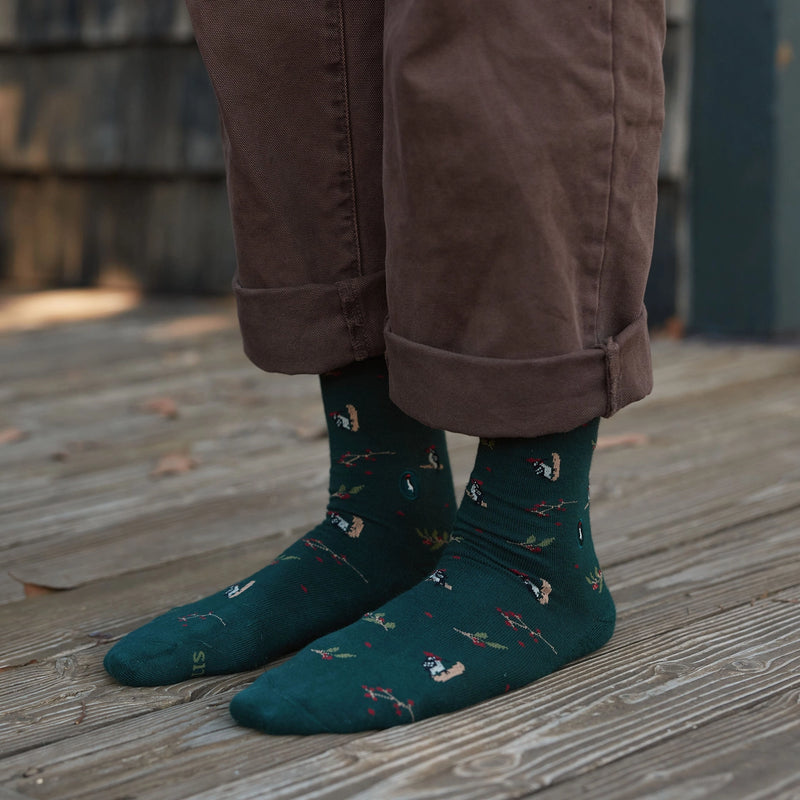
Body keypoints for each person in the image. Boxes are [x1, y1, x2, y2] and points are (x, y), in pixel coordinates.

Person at [104, 0, 666, 734]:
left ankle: (529, 554)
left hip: (533, 557)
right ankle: (382, 519)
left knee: (506, 32)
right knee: (287, 32)